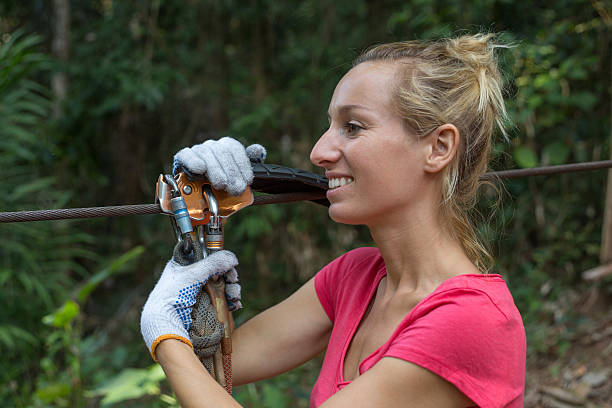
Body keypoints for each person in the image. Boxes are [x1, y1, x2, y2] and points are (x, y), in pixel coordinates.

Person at [140, 33, 526, 408]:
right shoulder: (354, 279)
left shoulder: (471, 320)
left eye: (353, 127)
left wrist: (164, 333)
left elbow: (187, 360)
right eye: (330, 126)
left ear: (438, 148)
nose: (319, 151)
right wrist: (195, 238)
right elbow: (220, 365)